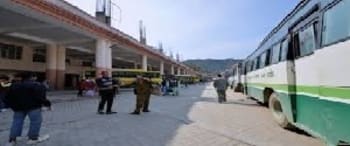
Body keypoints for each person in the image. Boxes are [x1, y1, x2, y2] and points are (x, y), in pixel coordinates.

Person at [4, 72, 51, 145]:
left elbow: (7, 98)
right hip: (33, 107)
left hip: (18, 108)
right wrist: (47, 104)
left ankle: (12, 140)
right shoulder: (35, 85)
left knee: (17, 122)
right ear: (31, 77)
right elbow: (40, 97)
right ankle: (32, 138)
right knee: (35, 121)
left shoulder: (14, 86)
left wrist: (12, 106)